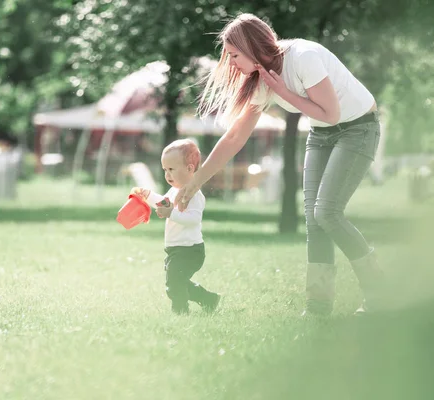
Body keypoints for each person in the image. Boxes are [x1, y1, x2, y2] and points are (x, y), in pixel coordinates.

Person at [175, 13, 384, 316]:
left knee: (327, 212)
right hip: (322, 135)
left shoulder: (304, 58)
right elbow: (234, 138)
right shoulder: (261, 79)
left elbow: (331, 114)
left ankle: (379, 291)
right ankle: (318, 307)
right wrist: (196, 182)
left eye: (234, 55)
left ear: (251, 46)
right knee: (314, 219)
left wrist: (283, 92)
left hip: (358, 128)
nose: (231, 63)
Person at [133, 139, 221, 315]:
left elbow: (194, 219)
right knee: (177, 281)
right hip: (175, 249)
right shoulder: (174, 191)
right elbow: (163, 203)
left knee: (174, 284)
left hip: (190, 251)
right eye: (165, 170)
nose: (167, 174)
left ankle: (180, 312)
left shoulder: (195, 195)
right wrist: (148, 195)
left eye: (171, 169)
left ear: (189, 169)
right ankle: (208, 299)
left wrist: (170, 213)